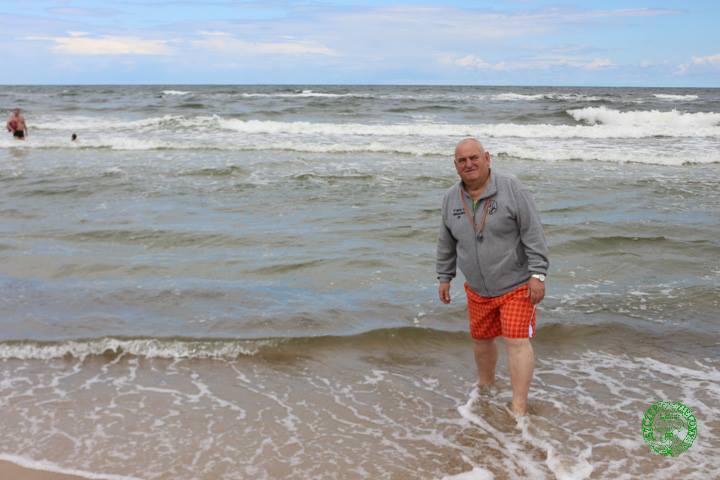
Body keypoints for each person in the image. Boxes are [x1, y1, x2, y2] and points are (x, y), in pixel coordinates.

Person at [436, 138, 548, 417]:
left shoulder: (512, 188)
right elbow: (446, 241)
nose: (469, 164)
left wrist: (538, 273)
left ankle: (519, 407)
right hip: (477, 289)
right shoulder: (450, 198)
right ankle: (486, 389)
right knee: (482, 340)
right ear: (455, 165)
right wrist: (444, 276)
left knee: (516, 341)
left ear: (487, 158)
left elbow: (533, 232)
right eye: (462, 160)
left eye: (474, 158)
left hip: (516, 285)